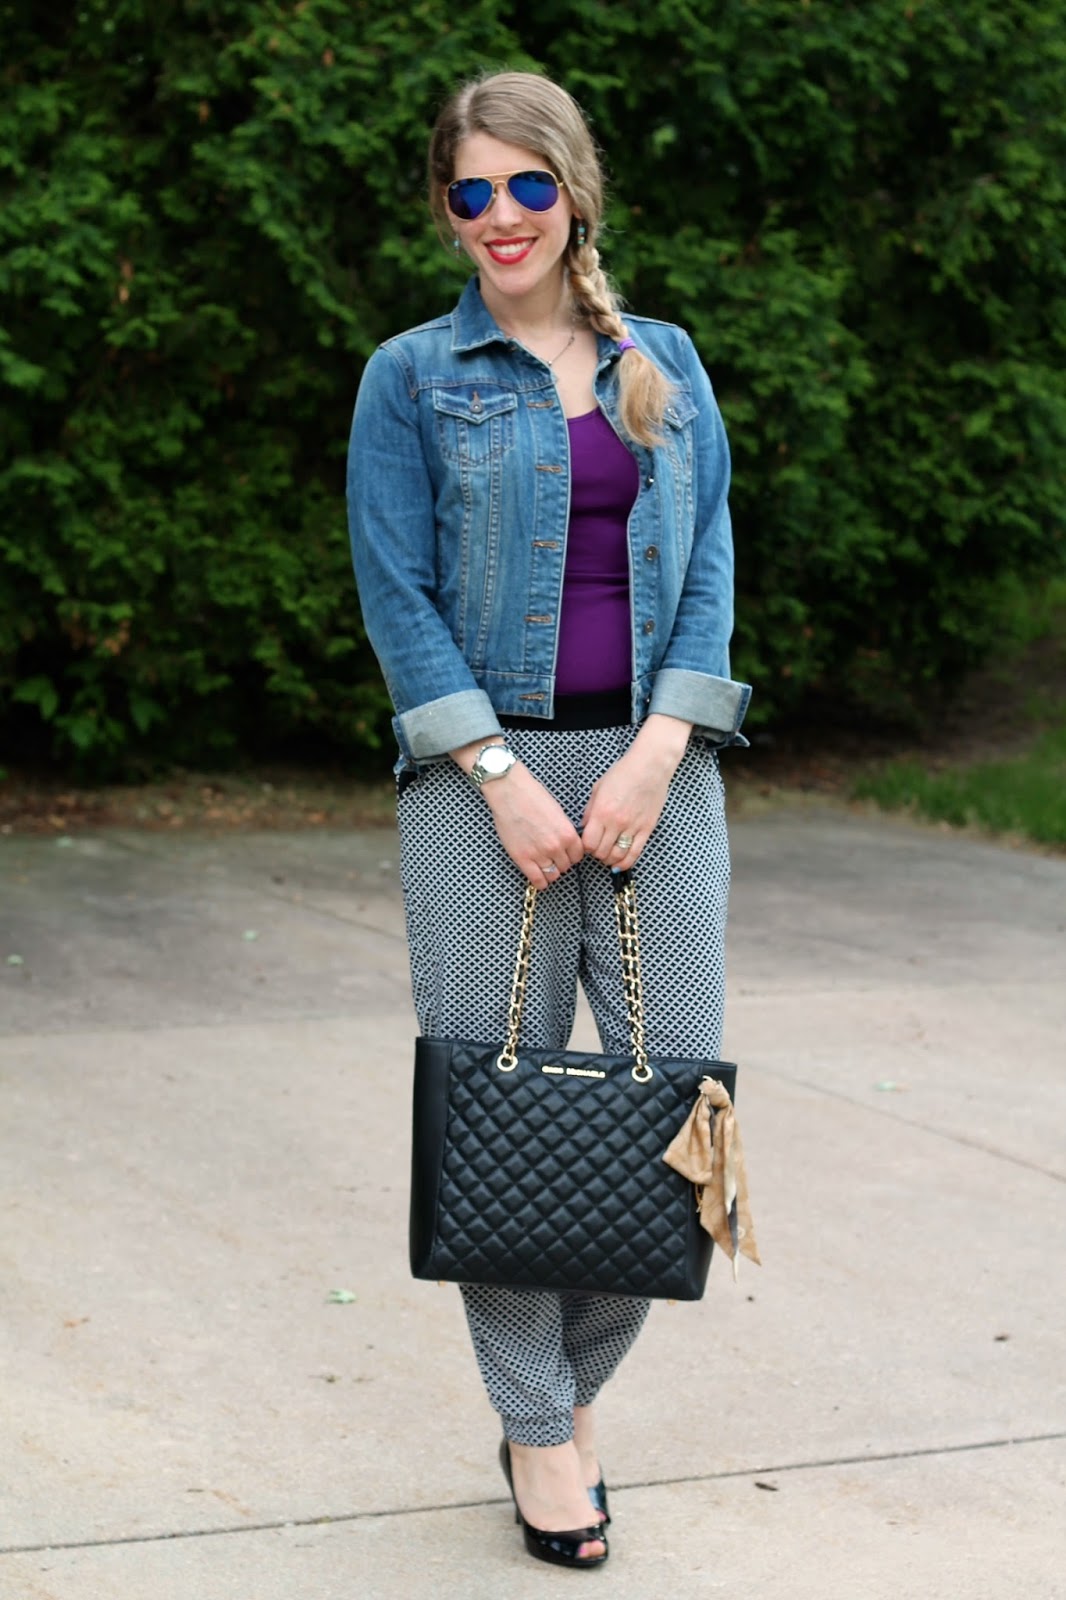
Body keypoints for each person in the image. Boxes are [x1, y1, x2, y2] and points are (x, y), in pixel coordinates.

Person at [346, 69, 750, 1571]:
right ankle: (538, 1434)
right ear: (443, 209)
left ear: (572, 190)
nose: (500, 217)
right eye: (471, 192)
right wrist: (501, 777)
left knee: (672, 1117)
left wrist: (655, 754)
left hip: (660, 776)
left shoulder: (665, 361)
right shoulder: (409, 377)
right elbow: (397, 598)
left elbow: (706, 566)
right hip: (477, 787)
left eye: (527, 186)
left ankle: (558, 1399)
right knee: (497, 1108)